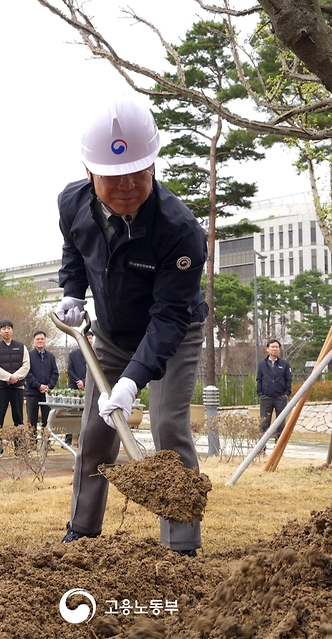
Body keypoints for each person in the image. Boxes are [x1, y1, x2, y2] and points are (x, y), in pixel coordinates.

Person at [55, 97, 208, 556]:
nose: (127, 186)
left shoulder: (179, 229)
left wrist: (132, 381)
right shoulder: (71, 203)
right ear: (89, 172)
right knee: (94, 431)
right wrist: (72, 291)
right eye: (114, 177)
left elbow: (170, 317)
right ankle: (82, 529)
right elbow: (75, 250)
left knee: (168, 426)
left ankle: (181, 542)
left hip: (173, 333)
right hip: (111, 332)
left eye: (138, 174)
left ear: (153, 165)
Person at [0, 320, 30, 452]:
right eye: (3, 329)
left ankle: (19, 448)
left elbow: (26, 365)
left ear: (12, 330)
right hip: (1, 388)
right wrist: (8, 377)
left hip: (17, 388)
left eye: (8, 328)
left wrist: (15, 377)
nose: (6, 331)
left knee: (18, 418)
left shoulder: (21, 347)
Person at [256, 339, 292, 439]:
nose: (275, 349)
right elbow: (259, 379)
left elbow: (289, 380)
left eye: (277, 347)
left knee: (280, 422)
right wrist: (260, 393)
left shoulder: (284, 364)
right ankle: (262, 445)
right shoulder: (261, 364)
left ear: (279, 349)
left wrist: (286, 393)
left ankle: (279, 443)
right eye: (272, 347)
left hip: (280, 397)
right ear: (268, 349)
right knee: (264, 422)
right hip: (266, 397)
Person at [25, 330, 59, 432]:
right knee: (32, 420)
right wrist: (38, 386)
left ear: (45, 340)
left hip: (46, 393)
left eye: (42, 339)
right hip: (32, 393)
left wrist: (49, 386)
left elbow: (55, 373)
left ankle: (46, 440)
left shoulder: (51, 356)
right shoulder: (29, 355)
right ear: (34, 341)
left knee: (47, 419)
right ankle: (32, 440)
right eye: (38, 339)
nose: (40, 341)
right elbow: (27, 373)